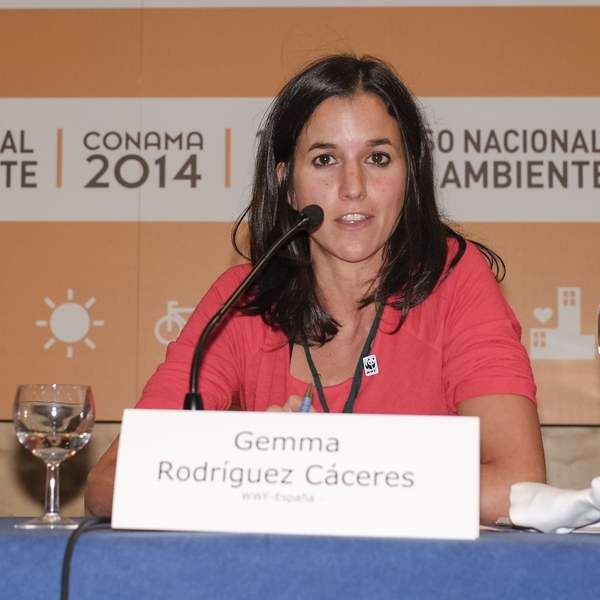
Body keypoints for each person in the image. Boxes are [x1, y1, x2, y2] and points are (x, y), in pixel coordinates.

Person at [85, 54, 545, 522]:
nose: (353, 187)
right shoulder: (243, 299)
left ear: (409, 174)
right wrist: (254, 467)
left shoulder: (455, 280)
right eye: (325, 160)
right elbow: (108, 483)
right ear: (287, 184)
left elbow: (518, 484)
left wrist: (315, 476)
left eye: (378, 158)